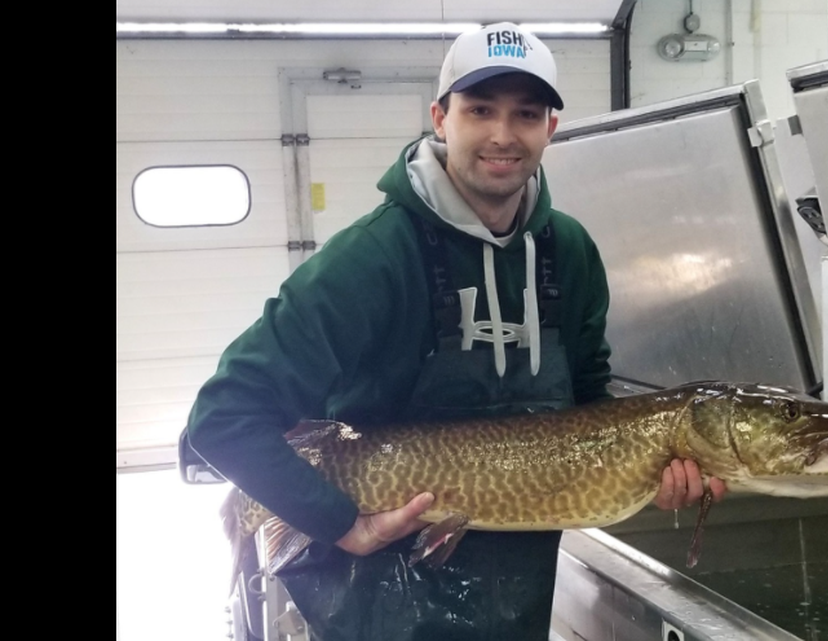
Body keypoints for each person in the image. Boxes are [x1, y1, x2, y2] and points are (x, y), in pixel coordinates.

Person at [186, 22, 727, 641]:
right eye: (480, 110)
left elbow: (589, 398)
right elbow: (222, 417)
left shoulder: (568, 250)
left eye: (526, 113)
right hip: (378, 602)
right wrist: (342, 524)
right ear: (441, 118)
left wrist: (646, 473)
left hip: (515, 599)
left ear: (551, 127)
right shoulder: (371, 257)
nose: (503, 134)